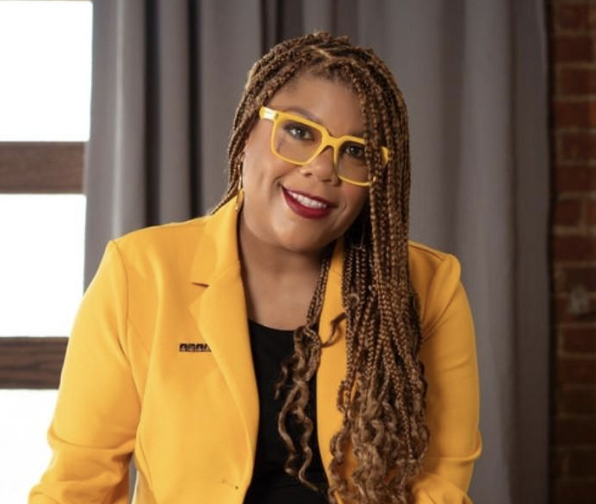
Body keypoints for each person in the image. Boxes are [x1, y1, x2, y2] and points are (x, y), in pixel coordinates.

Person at [30, 32, 481, 504]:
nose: (323, 168)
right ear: (248, 130)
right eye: (300, 132)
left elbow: (440, 484)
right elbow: (77, 485)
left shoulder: (429, 287)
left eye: (356, 151)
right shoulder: (140, 273)